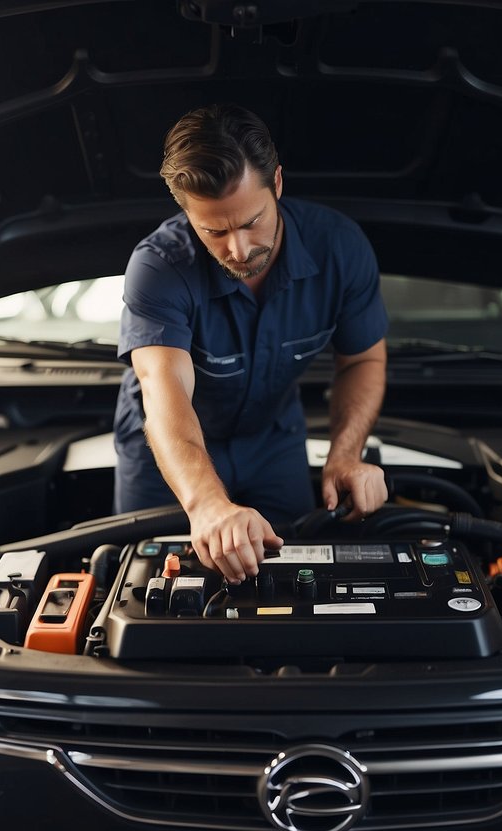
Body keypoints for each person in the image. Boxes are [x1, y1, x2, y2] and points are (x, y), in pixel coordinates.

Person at [114, 103, 389, 584]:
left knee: (299, 580)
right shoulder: (158, 267)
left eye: (251, 221)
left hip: (274, 443)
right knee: (144, 587)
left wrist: (346, 454)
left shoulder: (340, 248)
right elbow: (164, 390)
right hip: (166, 454)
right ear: (186, 211)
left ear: (277, 183)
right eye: (214, 231)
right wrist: (205, 504)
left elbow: (362, 359)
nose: (238, 250)